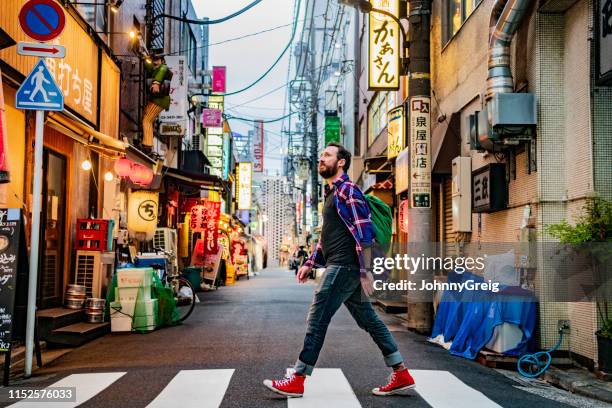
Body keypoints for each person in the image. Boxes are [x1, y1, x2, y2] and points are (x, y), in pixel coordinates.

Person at [263, 142, 415, 398]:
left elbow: (364, 232)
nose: (321, 159)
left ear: (341, 161)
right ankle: (401, 372)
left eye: (327, 155)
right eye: (321, 155)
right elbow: (328, 237)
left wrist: (368, 270)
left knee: (317, 318)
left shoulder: (349, 192)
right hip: (343, 266)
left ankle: (298, 378)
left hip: (344, 267)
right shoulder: (333, 194)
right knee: (369, 320)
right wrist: (311, 262)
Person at [142, 51, 172, 150]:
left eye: (157, 60)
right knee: (148, 118)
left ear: (162, 61)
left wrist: (156, 83)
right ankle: (148, 143)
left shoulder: (163, 68)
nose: (155, 62)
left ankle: (147, 145)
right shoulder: (156, 69)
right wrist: (146, 58)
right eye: (154, 60)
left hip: (160, 99)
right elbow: (150, 67)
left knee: (147, 120)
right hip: (158, 99)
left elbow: (162, 71)